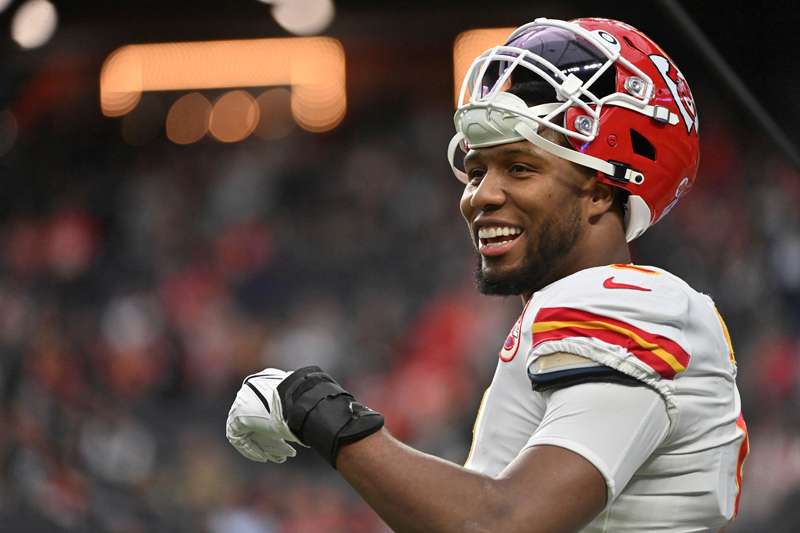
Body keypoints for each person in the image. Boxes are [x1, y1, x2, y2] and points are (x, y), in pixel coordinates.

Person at [225, 17, 749, 532]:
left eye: (519, 168)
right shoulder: (576, 310)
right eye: (477, 172)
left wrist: (317, 409)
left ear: (599, 191)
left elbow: (502, 523)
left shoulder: (626, 302)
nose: (481, 196)